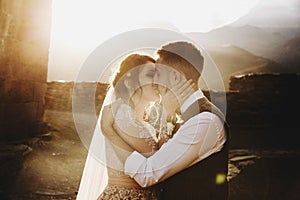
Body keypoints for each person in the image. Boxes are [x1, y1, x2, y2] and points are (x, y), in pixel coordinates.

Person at [76, 53, 193, 200]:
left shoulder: (142, 122)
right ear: (128, 82)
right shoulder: (122, 114)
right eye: (151, 75)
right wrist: (166, 115)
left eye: (158, 75)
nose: (157, 81)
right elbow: (157, 166)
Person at [123, 41, 230, 199]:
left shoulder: (204, 121)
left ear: (174, 77)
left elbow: (148, 175)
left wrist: (114, 143)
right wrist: (166, 114)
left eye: (158, 74)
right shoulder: (182, 113)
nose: (154, 81)